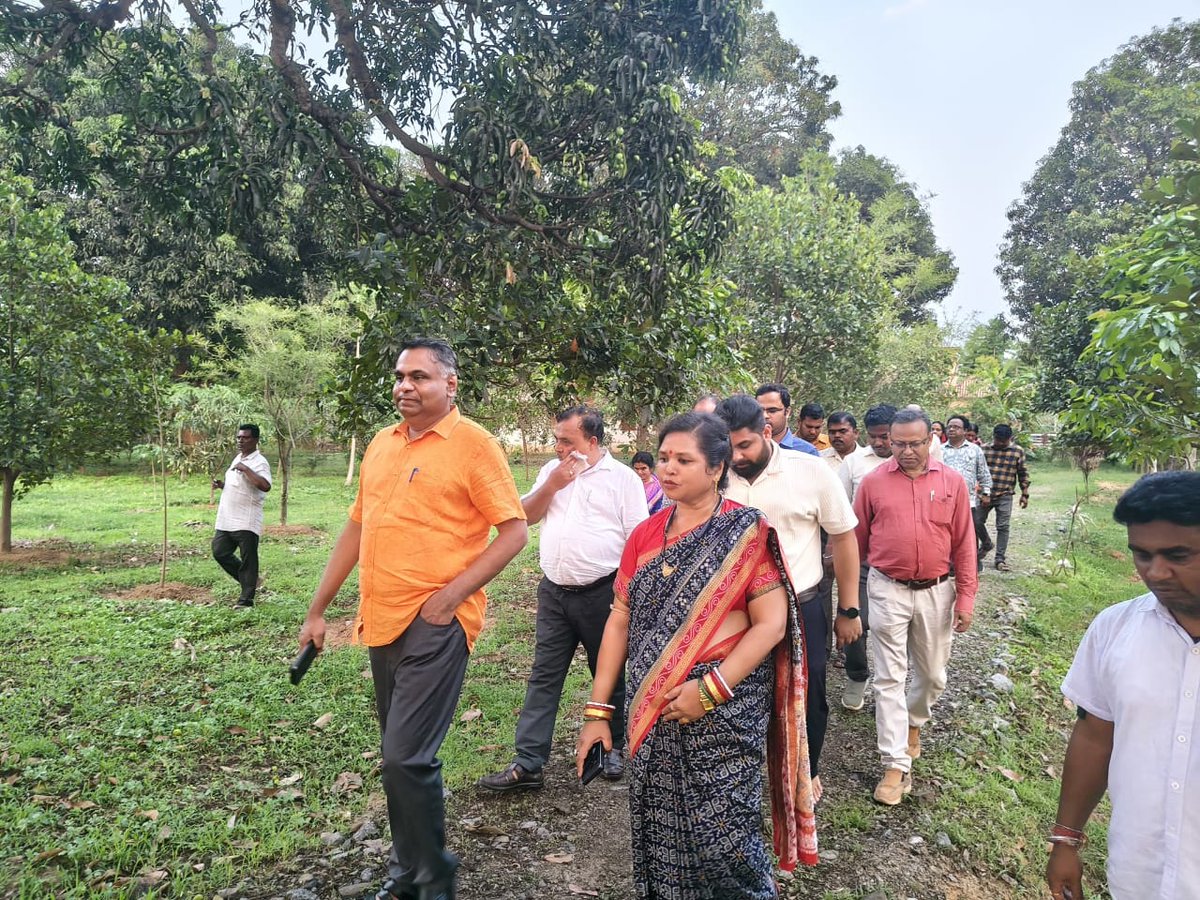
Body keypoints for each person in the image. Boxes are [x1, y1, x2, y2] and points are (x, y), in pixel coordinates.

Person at [297, 339, 528, 900]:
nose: (405, 385)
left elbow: (515, 531)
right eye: (401, 376)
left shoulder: (475, 445)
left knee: (405, 756)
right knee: (399, 758)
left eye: (419, 376)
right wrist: (317, 609)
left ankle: (434, 876)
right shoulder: (382, 443)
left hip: (438, 621)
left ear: (450, 384)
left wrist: (450, 598)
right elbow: (357, 528)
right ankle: (407, 874)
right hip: (381, 617)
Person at [576, 412, 818, 897]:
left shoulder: (746, 532)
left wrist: (710, 690)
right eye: (664, 457)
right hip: (655, 704)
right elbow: (619, 619)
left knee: (725, 838)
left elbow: (770, 624)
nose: (668, 468)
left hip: (725, 708)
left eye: (683, 460)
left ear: (716, 467)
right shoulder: (645, 535)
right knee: (658, 826)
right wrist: (598, 712)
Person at [1047, 472, 1200, 900]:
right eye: (1142, 554)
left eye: (1178, 555)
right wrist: (1065, 840)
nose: (1156, 572)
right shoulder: (1114, 629)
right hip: (1138, 875)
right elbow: (1095, 736)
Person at [480, 407, 647, 791]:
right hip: (554, 591)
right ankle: (528, 762)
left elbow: (638, 540)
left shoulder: (622, 479)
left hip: (603, 592)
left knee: (607, 671)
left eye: (566, 441)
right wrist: (552, 485)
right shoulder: (550, 472)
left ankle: (613, 746)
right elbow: (525, 516)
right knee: (544, 673)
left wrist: (626, 597)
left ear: (592, 441)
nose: (558, 447)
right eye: (556, 439)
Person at [717, 395, 861, 804]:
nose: (736, 456)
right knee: (735, 688)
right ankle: (741, 771)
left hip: (802, 605)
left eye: (745, 445)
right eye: (728, 448)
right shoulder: (716, 476)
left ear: (767, 431)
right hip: (736, 612)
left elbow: (844, 538)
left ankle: (805, 771)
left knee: (807, 693)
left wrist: (849, 608)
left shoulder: (810, 471)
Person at [853, 408, 977, 805]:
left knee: (933, 674)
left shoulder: (952, 482)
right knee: (889, 677)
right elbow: (856, 541)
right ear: (889, 441)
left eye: (916, 443)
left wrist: (966, 596)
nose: (907, 451)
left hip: (937, 591)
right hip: (887, 587)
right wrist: (851, 599)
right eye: (899, 444)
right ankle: (895, 764)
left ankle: (913, 723)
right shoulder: (872, 483)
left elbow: (965, 542)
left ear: (930, 441)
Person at [837, 405, 896, 712]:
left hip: (897, 562)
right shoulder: (854, 463)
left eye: (884, 436)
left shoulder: (912, 461)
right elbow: (840, 508)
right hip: (860, 557)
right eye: (873, 437)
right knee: (853, 616)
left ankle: (891, 686)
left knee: (894, 625)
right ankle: (857, 676)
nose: (878, 442)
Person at [211, 424, 272, 608]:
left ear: (255, 440)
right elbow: (238, 485)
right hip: (227, 518)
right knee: (219, 551)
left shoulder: (259, 462)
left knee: (248, 560)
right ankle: (250, 581)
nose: (240, 440)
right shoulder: (238, 458)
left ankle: (246, 601)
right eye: (239, 437)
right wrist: (222, 485)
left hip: (246, 520)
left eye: (245, 437)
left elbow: (265, 486)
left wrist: (246, 469)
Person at [941, 416, 993, 573]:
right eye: (949, 426)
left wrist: (986, 493)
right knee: (947, 533)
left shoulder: (975, 450)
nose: (951, 429)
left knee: (970, 533)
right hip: (944, 500)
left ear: (965, 431)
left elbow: (983, 473)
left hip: (968, 500)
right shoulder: (939, 450)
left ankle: (973, 564)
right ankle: (950, 565)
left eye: (956, 427)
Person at [980, 424, 1031, 572]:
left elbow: (1023, 473)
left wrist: (1025, 494)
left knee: (1003, 526)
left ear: (1010, 438)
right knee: (976, 521)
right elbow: (978, 471)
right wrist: (982, 492)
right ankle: (986, 543)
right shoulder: (983, 449)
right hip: (985, 494)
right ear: (993, 437)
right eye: (998, 440)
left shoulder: (1017, 451)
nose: (1001, 443)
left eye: (1004, 441)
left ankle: (1000, 559)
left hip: (1005, 494)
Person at [754, 383, 820, 456]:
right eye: (760, 410)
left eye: (772, 411)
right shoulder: (748, 447)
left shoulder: (806, 451)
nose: (765, 415)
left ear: (787, 412)